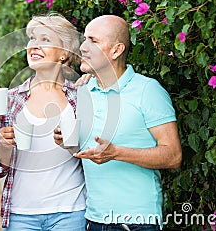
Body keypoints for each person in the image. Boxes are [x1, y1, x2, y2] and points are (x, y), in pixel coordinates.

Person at [54, 15, 182, 231]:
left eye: (93, 41)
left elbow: (174, 156)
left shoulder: (147, 90)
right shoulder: (84, 91)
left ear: (116, 50)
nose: (83, 47)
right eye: (85, 39)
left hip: (137, 222)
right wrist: (68, 142)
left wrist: (117, 153)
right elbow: (92, 149)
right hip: (94, 219)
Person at [0, 13, 87, 230]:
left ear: (64, 53)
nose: (34, 46)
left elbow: (94, 152)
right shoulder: (11, 99)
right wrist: (5, 145)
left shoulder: (81, 96)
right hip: (21, 214)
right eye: (32, 39)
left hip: (70, 211)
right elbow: (0, 168)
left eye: (45, 40)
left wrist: (73, 144)